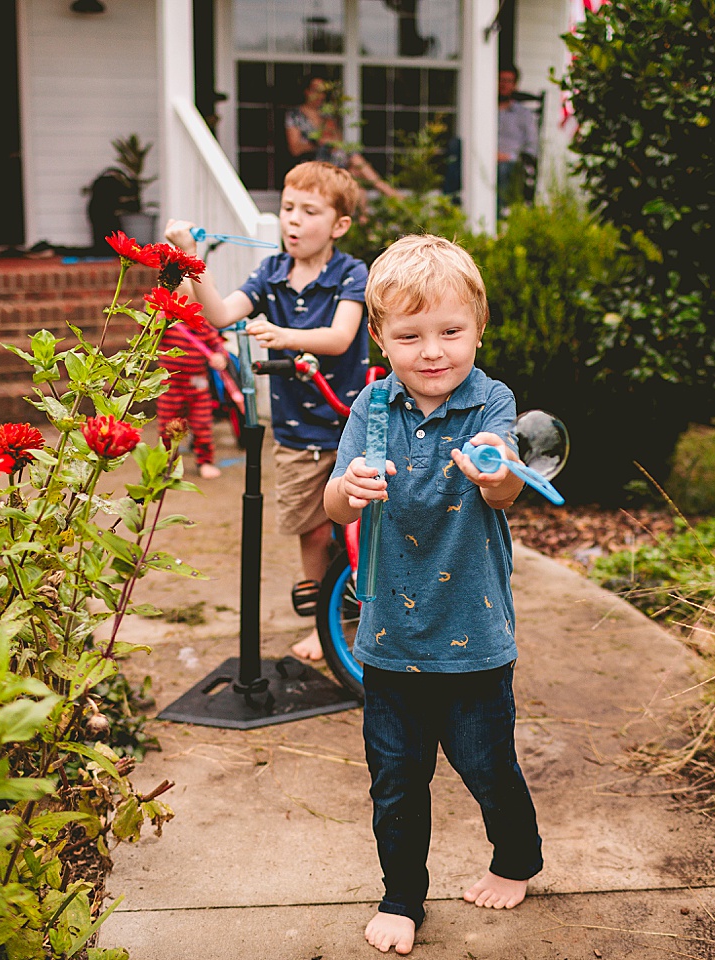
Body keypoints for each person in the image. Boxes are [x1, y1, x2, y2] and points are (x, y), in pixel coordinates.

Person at [323, 234, 542, 956]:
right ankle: (401, 898)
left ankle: (515, 859)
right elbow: (332, 505)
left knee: (488, 768)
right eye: (410, 335)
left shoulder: (490, 402)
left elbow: (507, 486)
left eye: (450, 331)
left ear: (480, 327)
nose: (432, 351)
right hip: (388, 641)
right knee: (395, 781)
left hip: (473, 637)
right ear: (380, 338)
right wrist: (346, 490)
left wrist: (493, 473)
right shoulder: (373, 407)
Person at [164, 160, 372, 662]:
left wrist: (284, 337)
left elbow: (340, 337)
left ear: (339, 225)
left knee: (365, 526)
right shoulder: (271, 272)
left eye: (309, 211)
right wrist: (190, 258)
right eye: (286, 208)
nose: (293, 221)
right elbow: (218, 314)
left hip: (351, 422)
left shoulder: (351, 273)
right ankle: (323, 625)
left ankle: (365, 618)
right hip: (298, 432)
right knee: (312, 526)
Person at [285, 76, 401, 199]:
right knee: (355, 162)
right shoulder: (295, 115)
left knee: (354, 176)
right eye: (316, 91)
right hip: (312, 163)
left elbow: (338, 141)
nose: (320, 95)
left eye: (323, 92)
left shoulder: (326, 113)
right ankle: (389, 192)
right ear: (307, 91)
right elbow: (295, 148)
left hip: (335, 160)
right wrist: (317, 143)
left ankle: (365, 215)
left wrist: (332, 140)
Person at [157, 319, 230, 479]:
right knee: (167, 427)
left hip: (198, 386)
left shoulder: (204, 325)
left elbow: (217, 345)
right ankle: (168, 463)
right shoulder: (167, 323)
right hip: (170, 385)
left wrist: (220, 357)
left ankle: (205, 461)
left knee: (202, 424)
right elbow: (148, 330)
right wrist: (154, 315)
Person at [497, 67, 539, 211]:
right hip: (483, 158)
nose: (503, 84)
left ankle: (498, 217)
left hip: (511, 162)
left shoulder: (524, 114)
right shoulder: (484, 109)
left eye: (508, 81)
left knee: (502, 169)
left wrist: (510, 157)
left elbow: (532, 146)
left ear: (515, 85)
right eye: (501, 80)